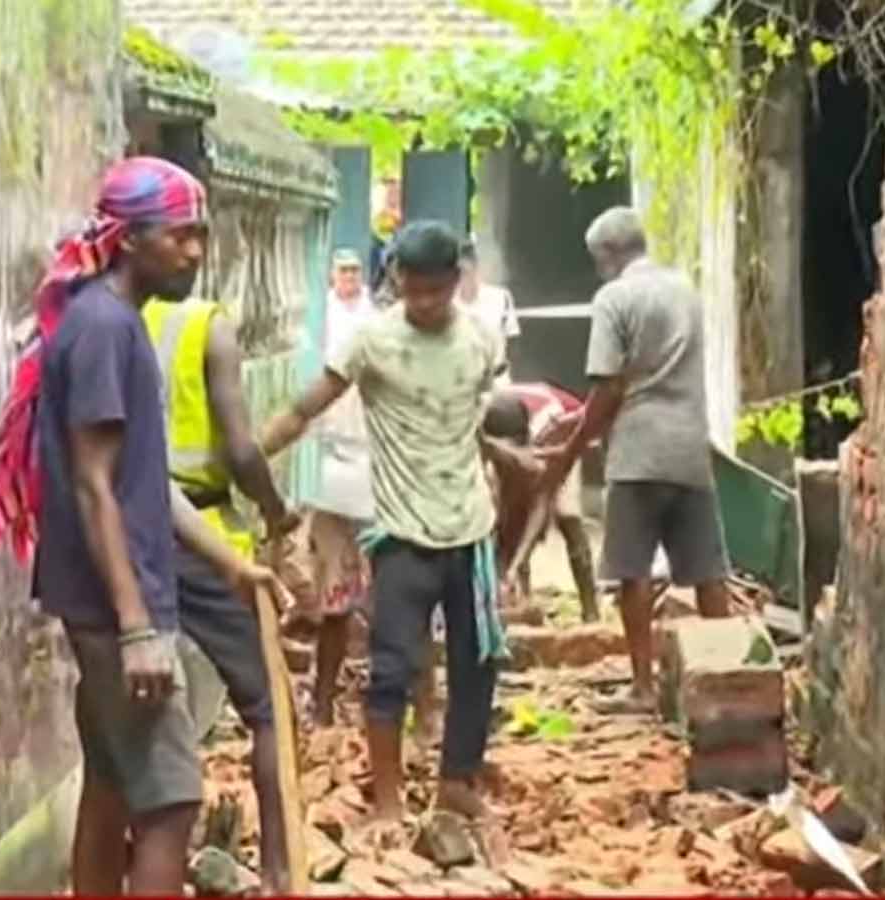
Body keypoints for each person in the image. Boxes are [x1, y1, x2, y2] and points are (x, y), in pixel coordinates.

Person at [0, 157, 285, 896]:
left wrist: (230, 563)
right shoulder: (103, 330)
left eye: (199, 235)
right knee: (173, 802)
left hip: (113, 607)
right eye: (179, 236)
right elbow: (93, 487)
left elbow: (142, 484)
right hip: (120, 613)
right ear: (128, 239)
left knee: (113, 788)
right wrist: (137, 629)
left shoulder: (110, 322)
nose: (195, 251)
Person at [262, 220, 533, 840]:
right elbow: (307, 408)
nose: (428, 304)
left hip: (469, 533)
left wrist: (507, 459)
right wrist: (253, 461)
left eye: (438, 291)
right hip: (402, 537)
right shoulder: (371, 343)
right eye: (415, 291)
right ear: (398, 283)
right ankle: (388, 801)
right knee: (390, 669)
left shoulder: (482, 342)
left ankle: (456, 783)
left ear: (455, 281)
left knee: (477, 663)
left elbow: (470, 421)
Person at [538, 206, 731, 714]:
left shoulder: (614, 298)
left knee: (633, 570)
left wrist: (570, 450)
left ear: (606, 255)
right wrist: (576, 417)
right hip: (691, 446)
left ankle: (643, 687)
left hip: (639, 454)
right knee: (708, 571)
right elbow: (650, 373)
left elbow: (611, 387)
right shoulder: (684, 290)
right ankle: (727, 677)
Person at [142, 277, 299, 890]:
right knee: (267, 705)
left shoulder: (112, 312)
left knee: (137, 718)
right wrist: (276, 508)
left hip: (133, 535)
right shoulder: (208, 324)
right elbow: (239, 450)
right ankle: (283, 869)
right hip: (202, 534)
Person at [298, 247, 377, 727]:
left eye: (354, 271)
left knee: (395, 599)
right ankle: (323, 702)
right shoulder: (317, 318)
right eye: (341, 270)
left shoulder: (376, 325)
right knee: (335, 597)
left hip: (379, 474)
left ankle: (406, 707)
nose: (348, 278)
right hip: (332, 472)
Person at [482, 383, 599, 622]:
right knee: (507, 518)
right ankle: (519, 596)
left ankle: (591, 610)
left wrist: (519, 560)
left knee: (567, 515)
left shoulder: (550, 433)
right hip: (510, 434)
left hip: (565, 432)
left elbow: (541, 502)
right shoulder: (481, 426)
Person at [456, 239, 520, 386]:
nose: (463, 278)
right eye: (457, 273)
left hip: (498, 382)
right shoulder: (447, 304)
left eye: (466, 272)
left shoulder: (500, 298)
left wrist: (503, 366)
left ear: (476, 268)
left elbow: (513, 338)